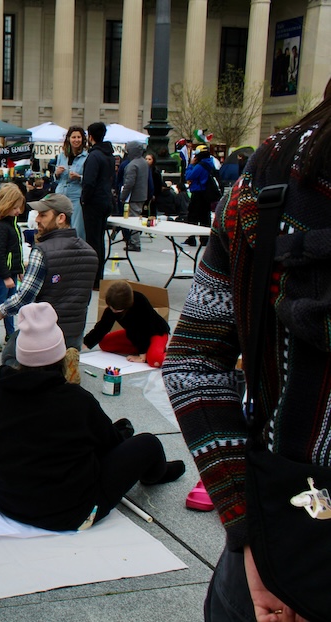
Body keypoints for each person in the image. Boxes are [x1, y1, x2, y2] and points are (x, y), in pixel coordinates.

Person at [162, 76, 331, 622]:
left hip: (279, 522)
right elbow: (193, 359)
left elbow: (192, 360)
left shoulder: (263, 184)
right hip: (284, 527)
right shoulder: (267, 188)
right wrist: (249, 525)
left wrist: (247, 524)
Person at [0, 302, 185, 532]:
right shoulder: (75, 400)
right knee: (148, 444)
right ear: (61, 357)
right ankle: (155, 474)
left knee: (95, 435)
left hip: (6, 499)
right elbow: (111, 446)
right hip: (70, 512)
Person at [0, 193, 97, 362]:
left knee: (10, 357)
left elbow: (25, 297)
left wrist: (1, 310)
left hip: (44, 333)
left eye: (43, 215)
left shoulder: (42, 251)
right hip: (74, 336)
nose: (37, 219)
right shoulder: (90, 252)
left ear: (61, 218)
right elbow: (84, 299)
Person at [83, 281, 170, 367]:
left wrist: (142, 355)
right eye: (111, 308)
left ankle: (164, 354)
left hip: (156, 332)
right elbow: (102, 327)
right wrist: (84, 343)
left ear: (126, 305)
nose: (113, 311)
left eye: (116, 310)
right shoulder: (113, 308)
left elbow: (143, 329)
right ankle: (151, 350)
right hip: (134, 334)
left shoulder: (140, 301)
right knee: (104, 344)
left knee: (154, 361)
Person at [0, 184, 24, 353]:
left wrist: (19, 268)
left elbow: (16, 251)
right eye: (14, 207)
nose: (18, 211)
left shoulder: (12, 225)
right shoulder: (0, 227)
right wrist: (6, 276)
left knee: (12, 304)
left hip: (12, 272)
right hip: (4, 275)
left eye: (19, 207)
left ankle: (10, 333)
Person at [81, 121, 117, 289]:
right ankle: (98, 277)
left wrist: (84, 199)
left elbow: (89, 181)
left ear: (90, 136)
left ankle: (93, 279)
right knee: (99, 240)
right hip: (105, 199)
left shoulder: (94, 156)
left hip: (94, 201)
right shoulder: (109, 155)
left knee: (92, 241)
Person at [54, 126, 88, 240]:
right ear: (68, 138)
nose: (76, 140)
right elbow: (56, 179)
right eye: (74, 137)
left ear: (83, 139)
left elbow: (89, 178)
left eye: (79, 137)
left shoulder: (86, 156)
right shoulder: (61, 155)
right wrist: (57, 173)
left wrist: (79, 177)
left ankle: (77, 249)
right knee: (59, 224)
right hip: (61, 193)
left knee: (77, 226)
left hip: (76, 194)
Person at [183, 144, 218, 246]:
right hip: (206, 194)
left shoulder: (200, 166)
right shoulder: (210, 163)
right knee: (205, 217)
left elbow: (189, 175)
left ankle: (191, 238)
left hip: (198, 193)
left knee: (192, 216)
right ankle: (205, 239)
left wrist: (190, 165)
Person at [119, 140, 150, 251]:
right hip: (142, 195)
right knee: (137, 218)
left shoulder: (132, 165)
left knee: (133, 220)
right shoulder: (144, 162)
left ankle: (135, 243)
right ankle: (135, 241)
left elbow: (129, 183)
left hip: (133, 196)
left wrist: (122, 196)